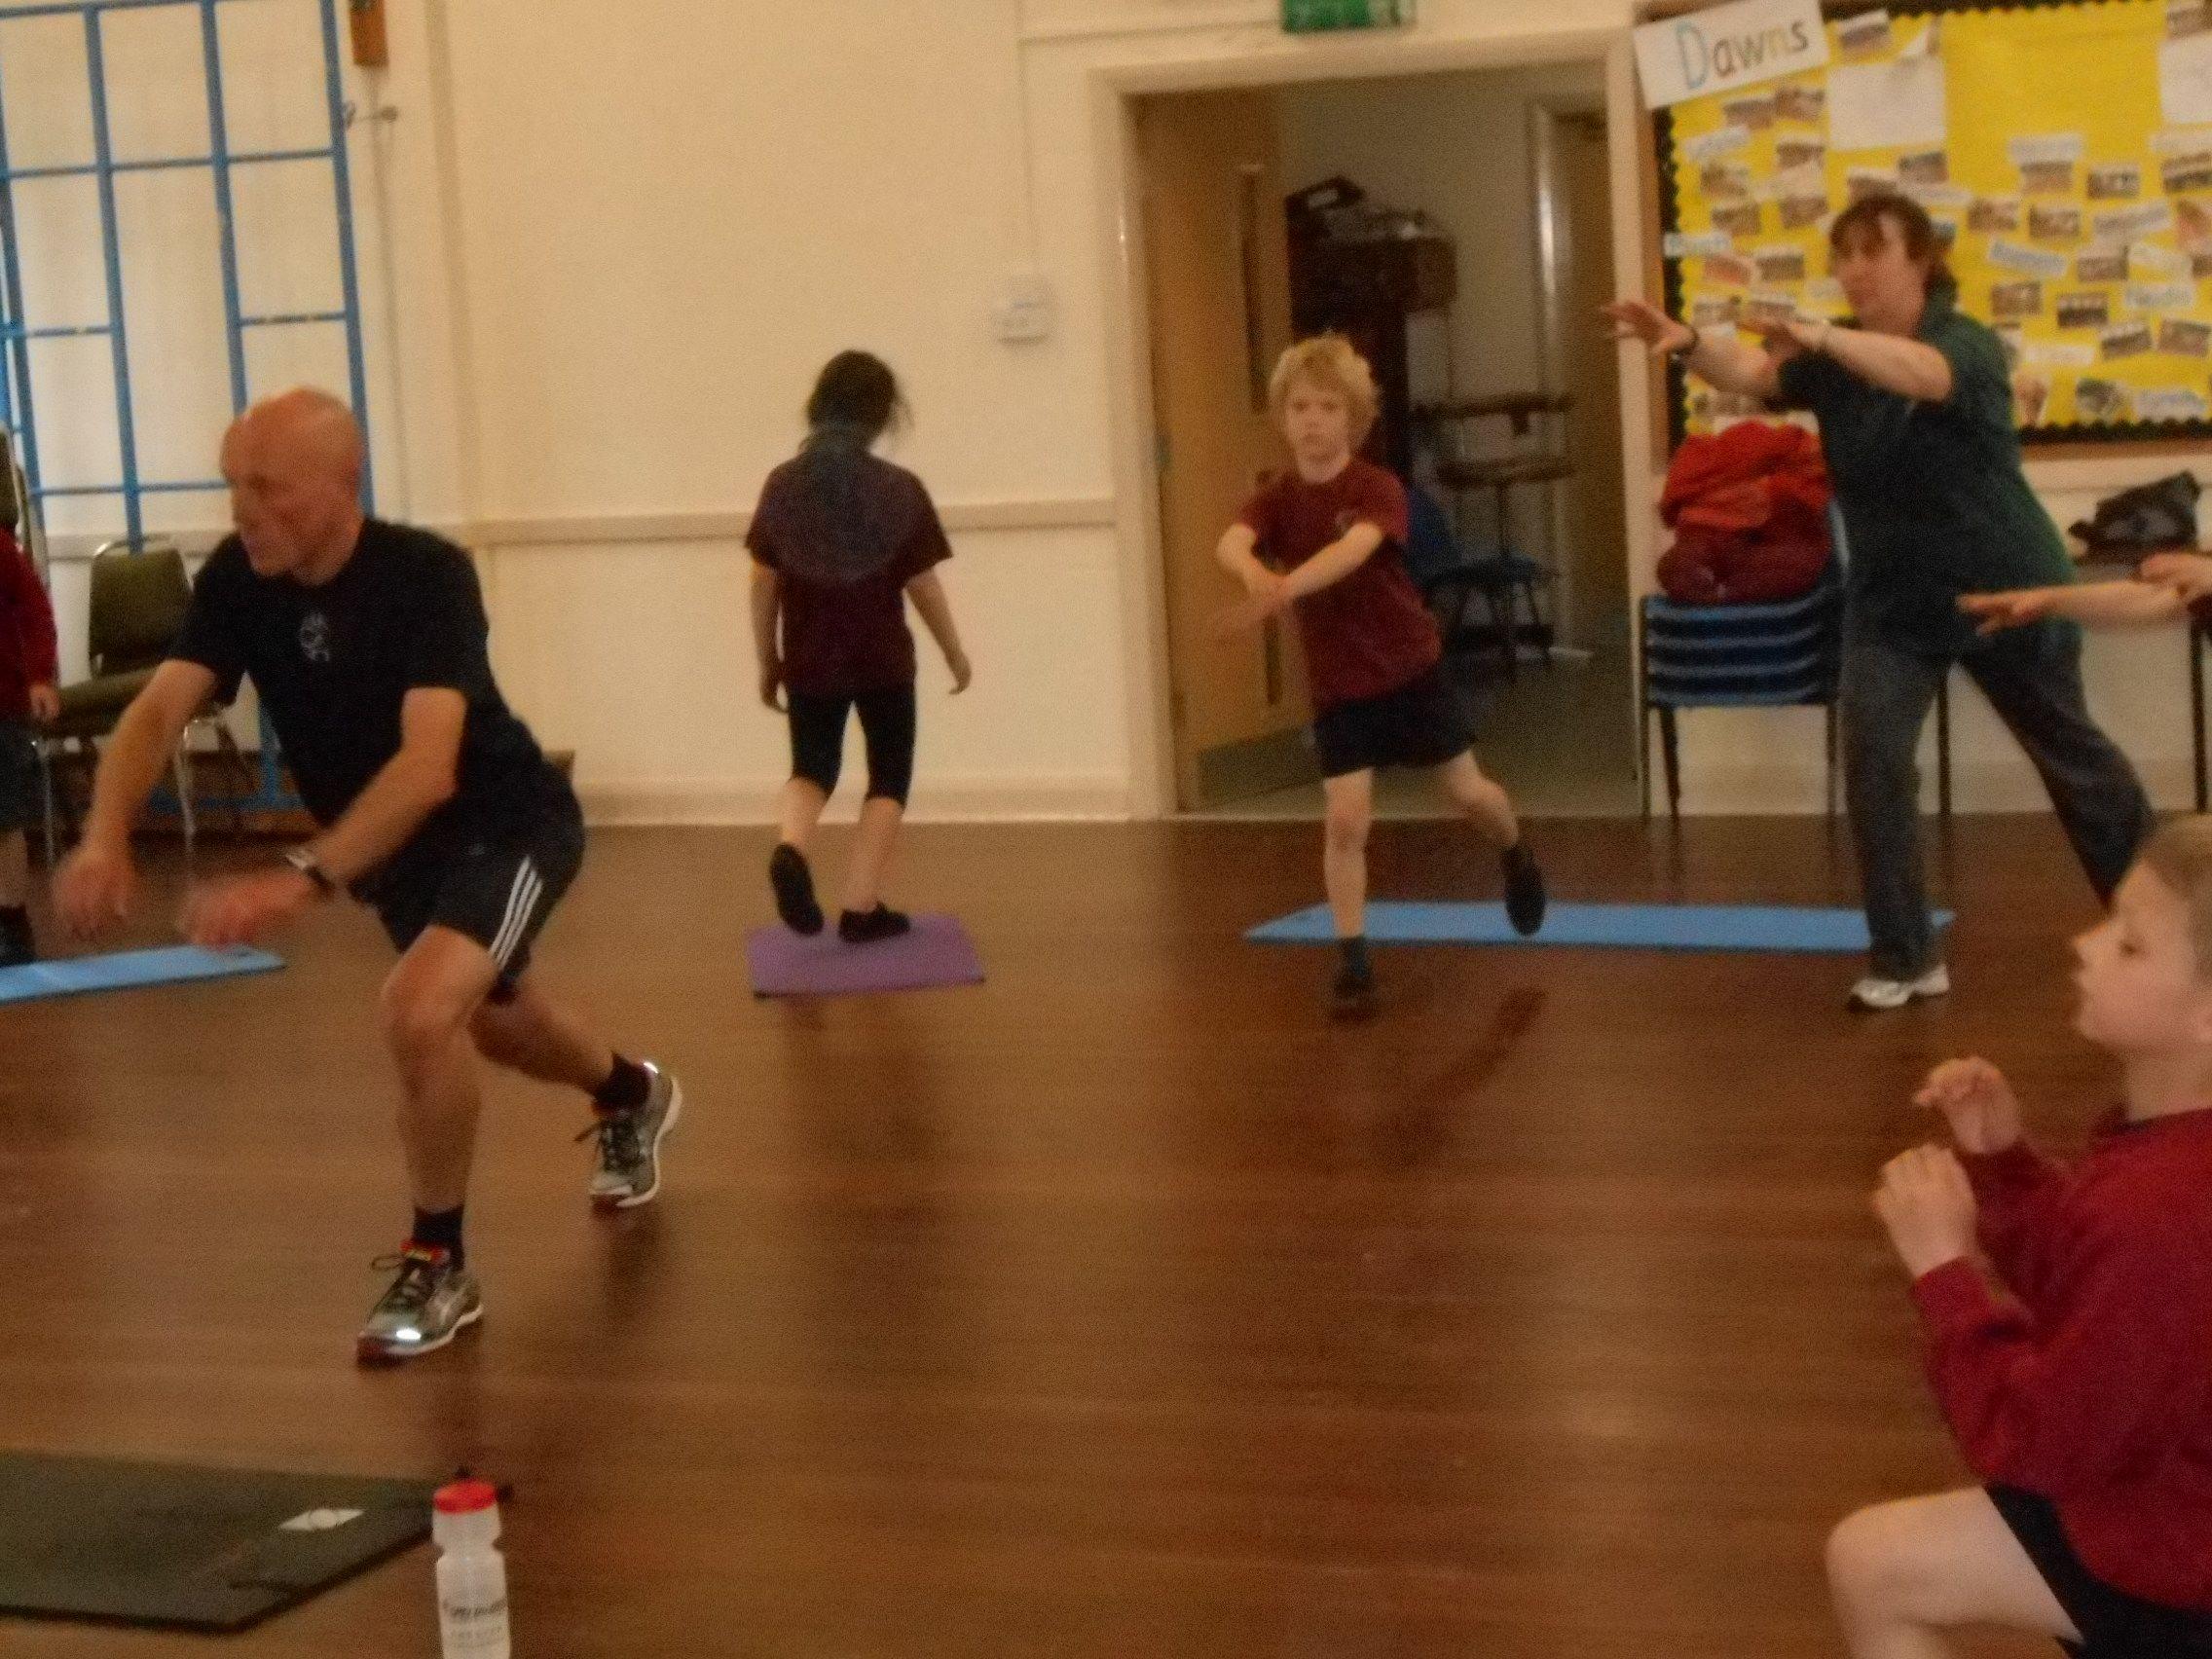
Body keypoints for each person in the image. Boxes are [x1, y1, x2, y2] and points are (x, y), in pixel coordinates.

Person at [54, 388, 681, 1365]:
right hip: (393, 851)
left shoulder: (426, 577)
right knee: (499, 1026)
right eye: (232, 484)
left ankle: (439, 1260)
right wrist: (103, 837)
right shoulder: (237, 580)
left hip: (503, 825)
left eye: (268, 488)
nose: (242, 510)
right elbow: (156, 712)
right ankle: (630, 1093)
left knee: (418, 1012)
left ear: (342, 486)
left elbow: (429, 766)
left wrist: (299, 877)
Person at [1606, 195, 2151, 1011]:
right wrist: (1687, 343)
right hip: (1894, 600)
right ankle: (1905, 957)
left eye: (1873, 251)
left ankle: (2170, 936)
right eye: (1843, 254)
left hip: (2006, 587)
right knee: (1874, 763)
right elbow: (1755, 374)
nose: (1854, 269)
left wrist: (1824, 337)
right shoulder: (1833, 355)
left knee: (2079, 768)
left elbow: (1923, 375)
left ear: (1920, 259)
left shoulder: (1962, 343)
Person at [1831, 818, 2212, 1659]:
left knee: (1872, 1566)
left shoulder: (2163, 1203)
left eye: (2130, 945)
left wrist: (1945, 1274)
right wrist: (2003, 1163)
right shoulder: (2173, 1160)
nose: (2085, 945)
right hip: (2167, 1493)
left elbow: (2034, 1441)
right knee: (1873, 1560)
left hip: (2177, 1568)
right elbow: (2106, 1290)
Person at [1215, 335, 1545, 1014]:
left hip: (1408, 670)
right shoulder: (1276, 497)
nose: (1312, 421)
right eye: (1300, 408)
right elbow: (1231, 541)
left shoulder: (1377, 488)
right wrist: (1251, 572)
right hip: (1340, 687)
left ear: (1355, 419)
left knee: (1469, 794)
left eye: (1327, 407)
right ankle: (1354, 962)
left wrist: (1280, 590)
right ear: (1282, 417)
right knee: (1345, 820)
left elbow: (1352, 552)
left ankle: (1514, 852)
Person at [749, 351, 971, 944]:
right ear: (881, 415)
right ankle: (860, 907)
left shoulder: (782, 486)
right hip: (882, 658)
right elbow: (923, 585)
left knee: (811, 768)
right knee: (889, 776)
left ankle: (791, 849)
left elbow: (764, 581)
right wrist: (954, 652)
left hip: (809, 656)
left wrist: (767, 658)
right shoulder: (900, 490)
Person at [0, 513, 57, 967]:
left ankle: (11, 922)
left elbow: (35, 611)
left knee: (4, 820)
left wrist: (39, 675)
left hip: (3, 705)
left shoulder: (2, 549)